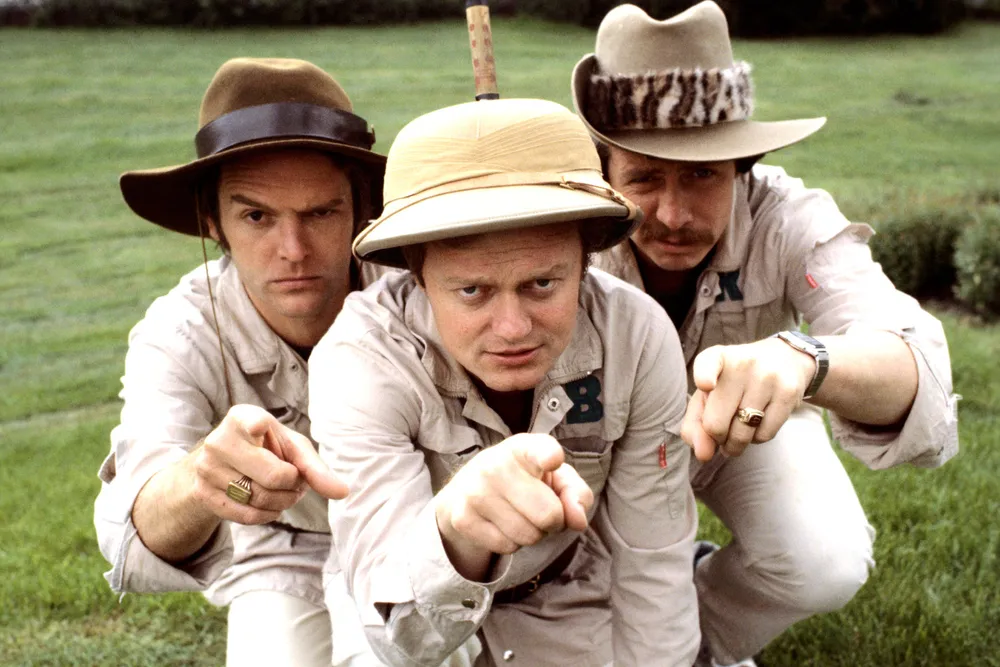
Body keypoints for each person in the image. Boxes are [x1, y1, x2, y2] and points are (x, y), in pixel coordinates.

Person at [571, 3, 960, 666]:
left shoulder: (787, 218)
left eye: (702, 174)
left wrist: (805, 358)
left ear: (742, 166)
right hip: (592, 439)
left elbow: (915, 360)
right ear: (603, 170)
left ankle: (703, 641)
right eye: (644, 177)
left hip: (743, 428)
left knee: (826, 560)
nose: (674, 214)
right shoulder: (563, 224)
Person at [309, 97, 701, 666]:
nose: (513, 328)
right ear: (418, 274)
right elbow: (399, 640)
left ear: (586, 261)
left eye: (543, 284)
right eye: (473, 291)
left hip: (565, 587)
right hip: (399, 597)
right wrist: (457, 534)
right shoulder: (360, 360)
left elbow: (652, 558)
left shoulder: (636, 336)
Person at [93, 57, 418, 667]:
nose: (293, 250)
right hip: (277, 545)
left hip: (404, 526)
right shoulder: (180, 333)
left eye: (320, 212)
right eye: (257, 216)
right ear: (212, 222)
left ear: (359, 210)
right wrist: (206, 481)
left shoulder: (417, 297)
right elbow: (135, 530)